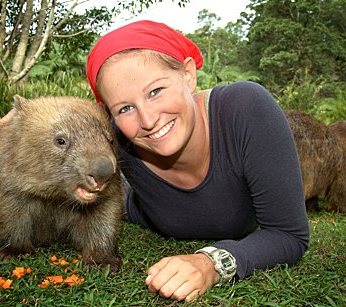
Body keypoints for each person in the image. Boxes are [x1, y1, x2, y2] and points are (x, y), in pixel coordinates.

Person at [86, 20, 309, 302]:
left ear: (189, 74)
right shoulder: (116, 137)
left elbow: (289, 235)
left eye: (155, 91)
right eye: (126, 108)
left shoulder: (244, 109)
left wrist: (211, 264)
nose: (148, 120)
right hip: (135, 207)